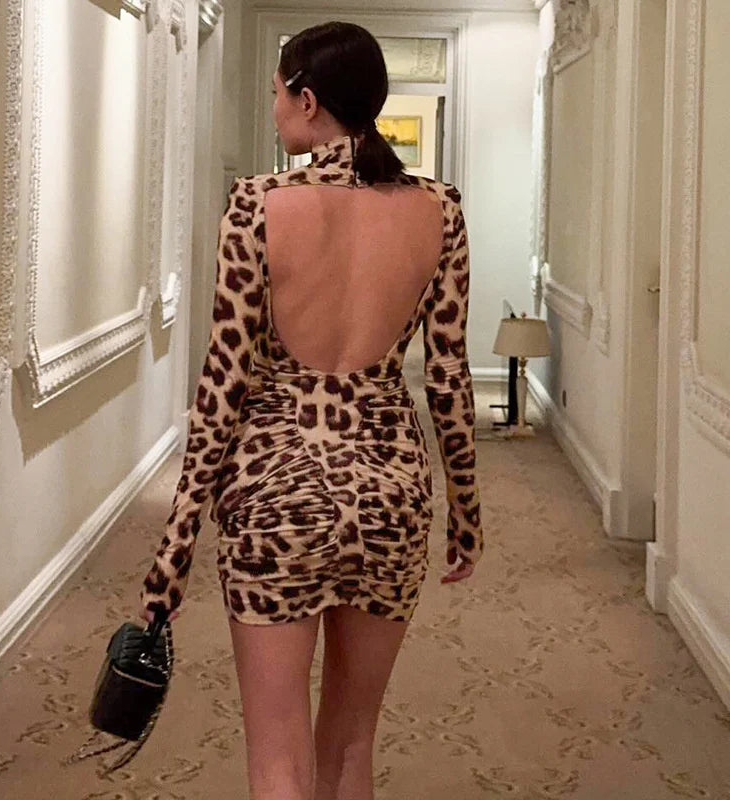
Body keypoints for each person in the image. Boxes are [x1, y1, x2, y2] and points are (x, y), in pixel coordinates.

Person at [139, 20, 484, 800]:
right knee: (352, 746)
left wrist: (176, 543)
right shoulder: (440, 209)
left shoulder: (257, 205)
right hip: (391, 493)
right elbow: (449, 380)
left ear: (307, 99)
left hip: (275, 494)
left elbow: (223, 383)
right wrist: (466, 511)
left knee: (278, 762)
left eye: (276, 94)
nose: (273, 110)